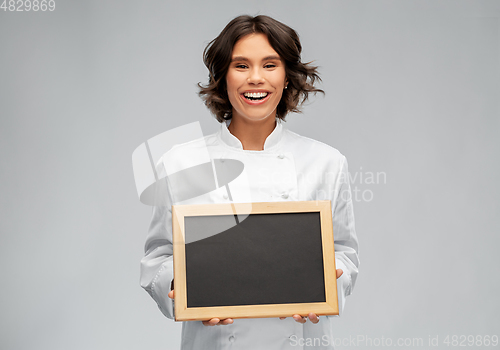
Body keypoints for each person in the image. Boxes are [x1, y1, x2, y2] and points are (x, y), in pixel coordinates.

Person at [140, 14, 359, 350]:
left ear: (287, 77)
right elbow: (159, 257)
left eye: (270, 65)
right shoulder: (181, 163)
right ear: (222, 77)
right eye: (241, 66)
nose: (256, 78)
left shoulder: (327, 163)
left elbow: (343, 253)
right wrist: (185, 289)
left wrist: (328, 283)